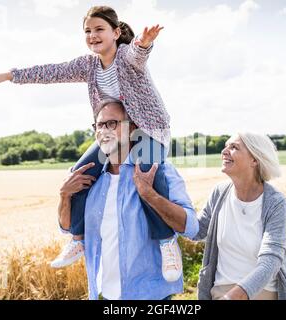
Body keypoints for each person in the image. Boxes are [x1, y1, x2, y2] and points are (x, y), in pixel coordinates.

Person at [0, 6, 181, 281]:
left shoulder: (126, 58)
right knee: (79, 174)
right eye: (88, 31)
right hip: (113, 134)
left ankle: (166, 242)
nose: (93, 35)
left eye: (99, 29)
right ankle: (78, 237)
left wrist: (144, 43)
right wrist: (11, 75)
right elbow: (52, 72)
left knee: (147, 174)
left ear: (116, 33)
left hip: (148, 129)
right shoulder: (88, 65)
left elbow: (137, 53)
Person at [58, 100, 198, 299]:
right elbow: (66, 227)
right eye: (99, 125)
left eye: (112, 123)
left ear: (132, 128)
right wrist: (64, 196)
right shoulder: (91, 179)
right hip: (105, 294)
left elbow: (191, 227)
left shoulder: (159, 170)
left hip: (151, 295)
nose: (104, 130)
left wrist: (149, 194)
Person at [193, 133, 286, 300]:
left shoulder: (276, 203)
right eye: (226, 145)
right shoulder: (219, 192)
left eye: (234, 147)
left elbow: (270, 262)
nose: (224, 151)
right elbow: (197, 230)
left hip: (262, 292)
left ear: (255, 160)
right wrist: (157, 197)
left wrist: (232, 298)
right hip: (220, 292)